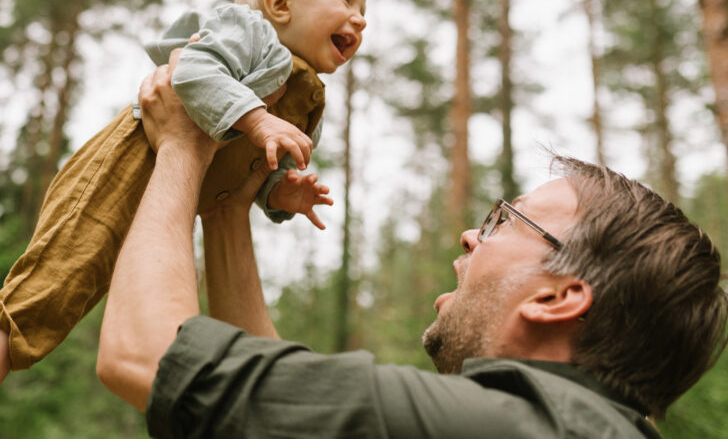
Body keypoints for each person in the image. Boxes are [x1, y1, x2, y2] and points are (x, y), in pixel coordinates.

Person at [96, 50, 728, 438]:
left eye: (505, 220)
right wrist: (229, 208)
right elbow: (285, 406)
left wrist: (181, 143)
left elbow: (145, 357)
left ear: (560, 296)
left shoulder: (515, 426)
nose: (470, 235)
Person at [0, 0, 368, 438]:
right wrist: (259, 121)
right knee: (61, 273)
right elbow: (191, 71)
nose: (361, 18)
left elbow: (257, 171)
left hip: (178, 196)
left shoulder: (308, 97)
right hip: (127, 166)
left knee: (102, 293)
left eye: (364, 7)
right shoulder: (250, 34)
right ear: (279, 5)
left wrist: (283, 192)